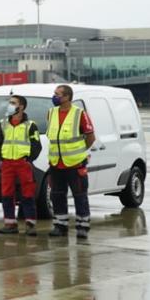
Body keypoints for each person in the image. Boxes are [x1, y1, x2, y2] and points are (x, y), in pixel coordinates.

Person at [45, 84, 95, 239]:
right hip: (56, 164)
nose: (54, 96)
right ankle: (60, 226)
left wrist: (80, 154)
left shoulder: (79, 114)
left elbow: (90, 137)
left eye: (58, 94)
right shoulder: (51, 113)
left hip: (75, 164)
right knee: (57, 196)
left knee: (80, 196)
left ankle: (82, 227)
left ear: (67, 97)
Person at [0, 94, 42, 235]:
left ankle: (30, 225)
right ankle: (10, 224)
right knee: (6, 194)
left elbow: (36, 145)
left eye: (13, 102)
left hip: (23, 163)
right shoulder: (3, 124)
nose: (9, 105)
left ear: (21, 106)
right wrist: (1, 158)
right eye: (10, 102)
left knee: (28, 193)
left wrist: (29, 159)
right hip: (7, 163)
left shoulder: (31, 126)